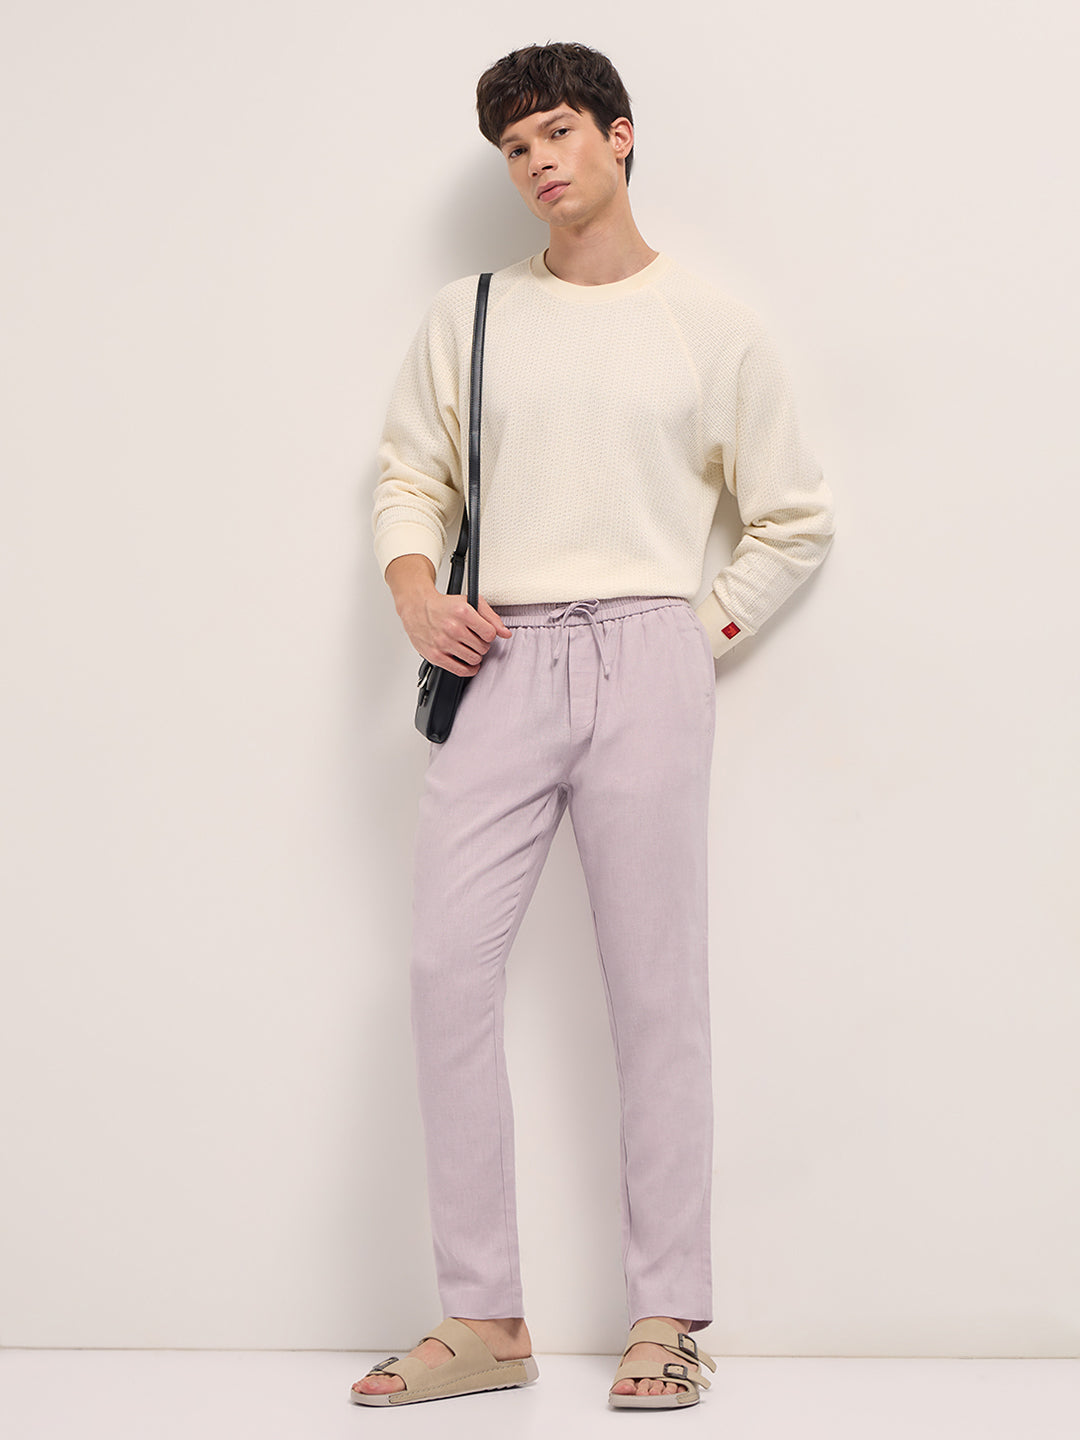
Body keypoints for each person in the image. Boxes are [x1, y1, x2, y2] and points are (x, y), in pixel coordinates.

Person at [352, 41, 835, 1411]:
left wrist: (697, 635)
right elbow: (411, 476)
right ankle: (484, 1317)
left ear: (619, 135)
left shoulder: (712, 326)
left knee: (656, 992)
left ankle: (667, 1315)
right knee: (445, 971)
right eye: (515, 149)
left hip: (647, 652)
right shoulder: (472, 315)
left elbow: (794, 517)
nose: (538, 163)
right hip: (499, 656)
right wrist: (413, 594)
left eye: (558, 132)